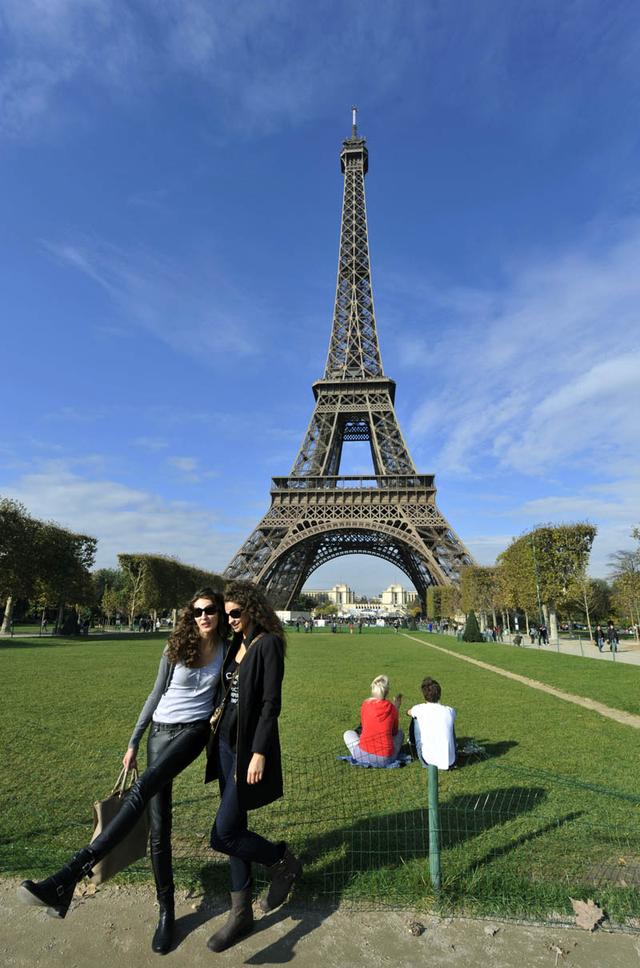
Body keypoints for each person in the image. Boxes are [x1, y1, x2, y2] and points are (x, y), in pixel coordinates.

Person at [18, 587, 228, 956]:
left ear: (219, 612)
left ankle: (69, 873)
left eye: (210, 610)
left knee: (142, 790)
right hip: (160, 733)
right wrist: (133, 742)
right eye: (197, 611)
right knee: (159, 829)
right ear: (190, 615)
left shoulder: (227, 648)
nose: (204, 617)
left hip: (194, 732)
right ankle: (166, 913)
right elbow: (155, 694)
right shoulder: (176, 646)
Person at [204, 580, 302, 953]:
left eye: (234, 613)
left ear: (251, 609)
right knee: (235, 828)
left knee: (223, 833)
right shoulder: (237, 643)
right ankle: (240, 912)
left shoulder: (268, 644)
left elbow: (270, 703)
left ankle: (282, 862)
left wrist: (259, 751)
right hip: (224, 745)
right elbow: (229, 690)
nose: (229, 619)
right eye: (225, 613)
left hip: (246, 749)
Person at [343, 675, 404, 766]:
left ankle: (364, 751)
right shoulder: (392, 709)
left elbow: (364, 726)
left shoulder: (365, 704)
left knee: (348, 733)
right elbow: (394, 732)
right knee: (400, 733)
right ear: (387, 691)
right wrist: (396, 708)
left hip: (361, 755)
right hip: (385, 759)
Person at [407, 677, 456, 770]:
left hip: (428, 761)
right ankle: (450, 749)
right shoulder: (449, 710)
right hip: (451, 761)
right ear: (439, 694)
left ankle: (412, 742)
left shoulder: (419, 708)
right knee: (449, 721)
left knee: (415, 718)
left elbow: (408, 712)